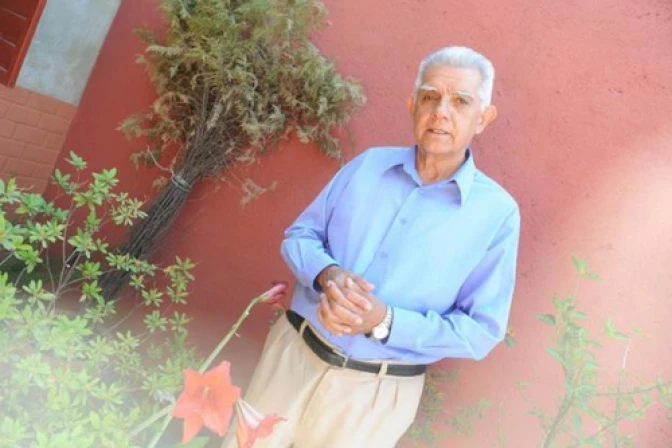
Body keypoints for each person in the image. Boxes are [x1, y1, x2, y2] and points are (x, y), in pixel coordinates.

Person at [225, 45, 521, 448]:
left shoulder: (497, 214)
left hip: (374, 397)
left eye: (461, 101)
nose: (441, 112)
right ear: (412, 105)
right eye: (430, 97)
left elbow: (480, 330)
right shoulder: (368, 166)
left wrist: (385, 322)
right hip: (291, 360)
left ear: (483, 118)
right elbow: (300, 236)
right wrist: (327, 275)